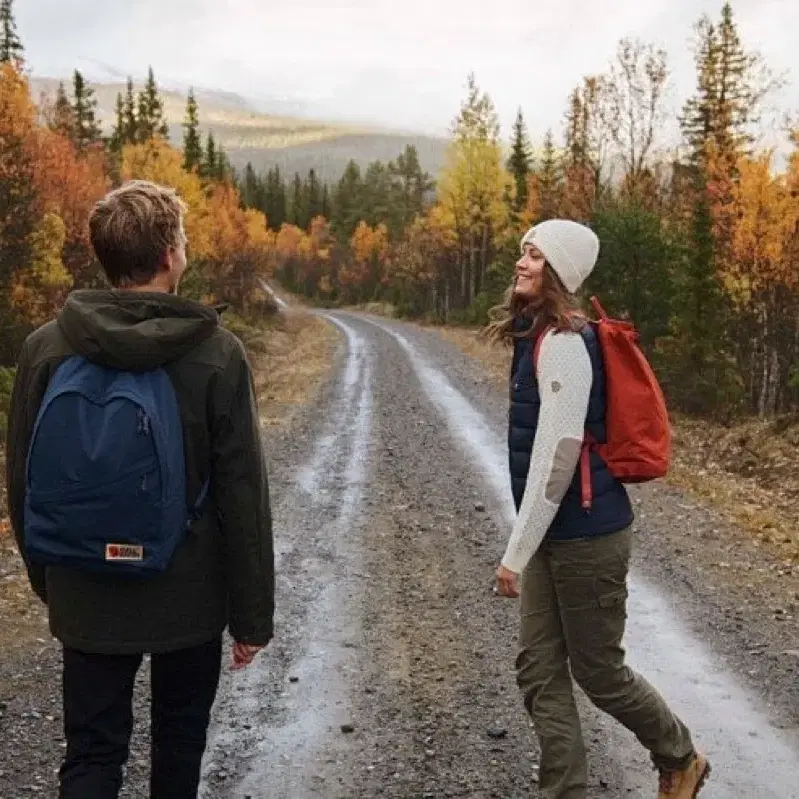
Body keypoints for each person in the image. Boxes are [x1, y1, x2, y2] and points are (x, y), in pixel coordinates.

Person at [5, 179, 275, 799]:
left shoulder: (46, 347)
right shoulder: (217, 354)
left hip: (84, 582)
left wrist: (50, 578)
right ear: (169, 257)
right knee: (178, 745)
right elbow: (242, 493)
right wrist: (252, 615)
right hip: (189, 594)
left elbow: (21, 480)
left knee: (92, 754)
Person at [485, 219, 710, 799]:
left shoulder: (562, 344)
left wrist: (515, 551)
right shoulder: (535, 334)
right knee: (539, 672)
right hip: (555, 534)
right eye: (522, 252)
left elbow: (556, 460)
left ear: (559, 271)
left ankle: (680, 756)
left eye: (534, 255)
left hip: (587, 537)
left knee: (598, 672)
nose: (522, 262)